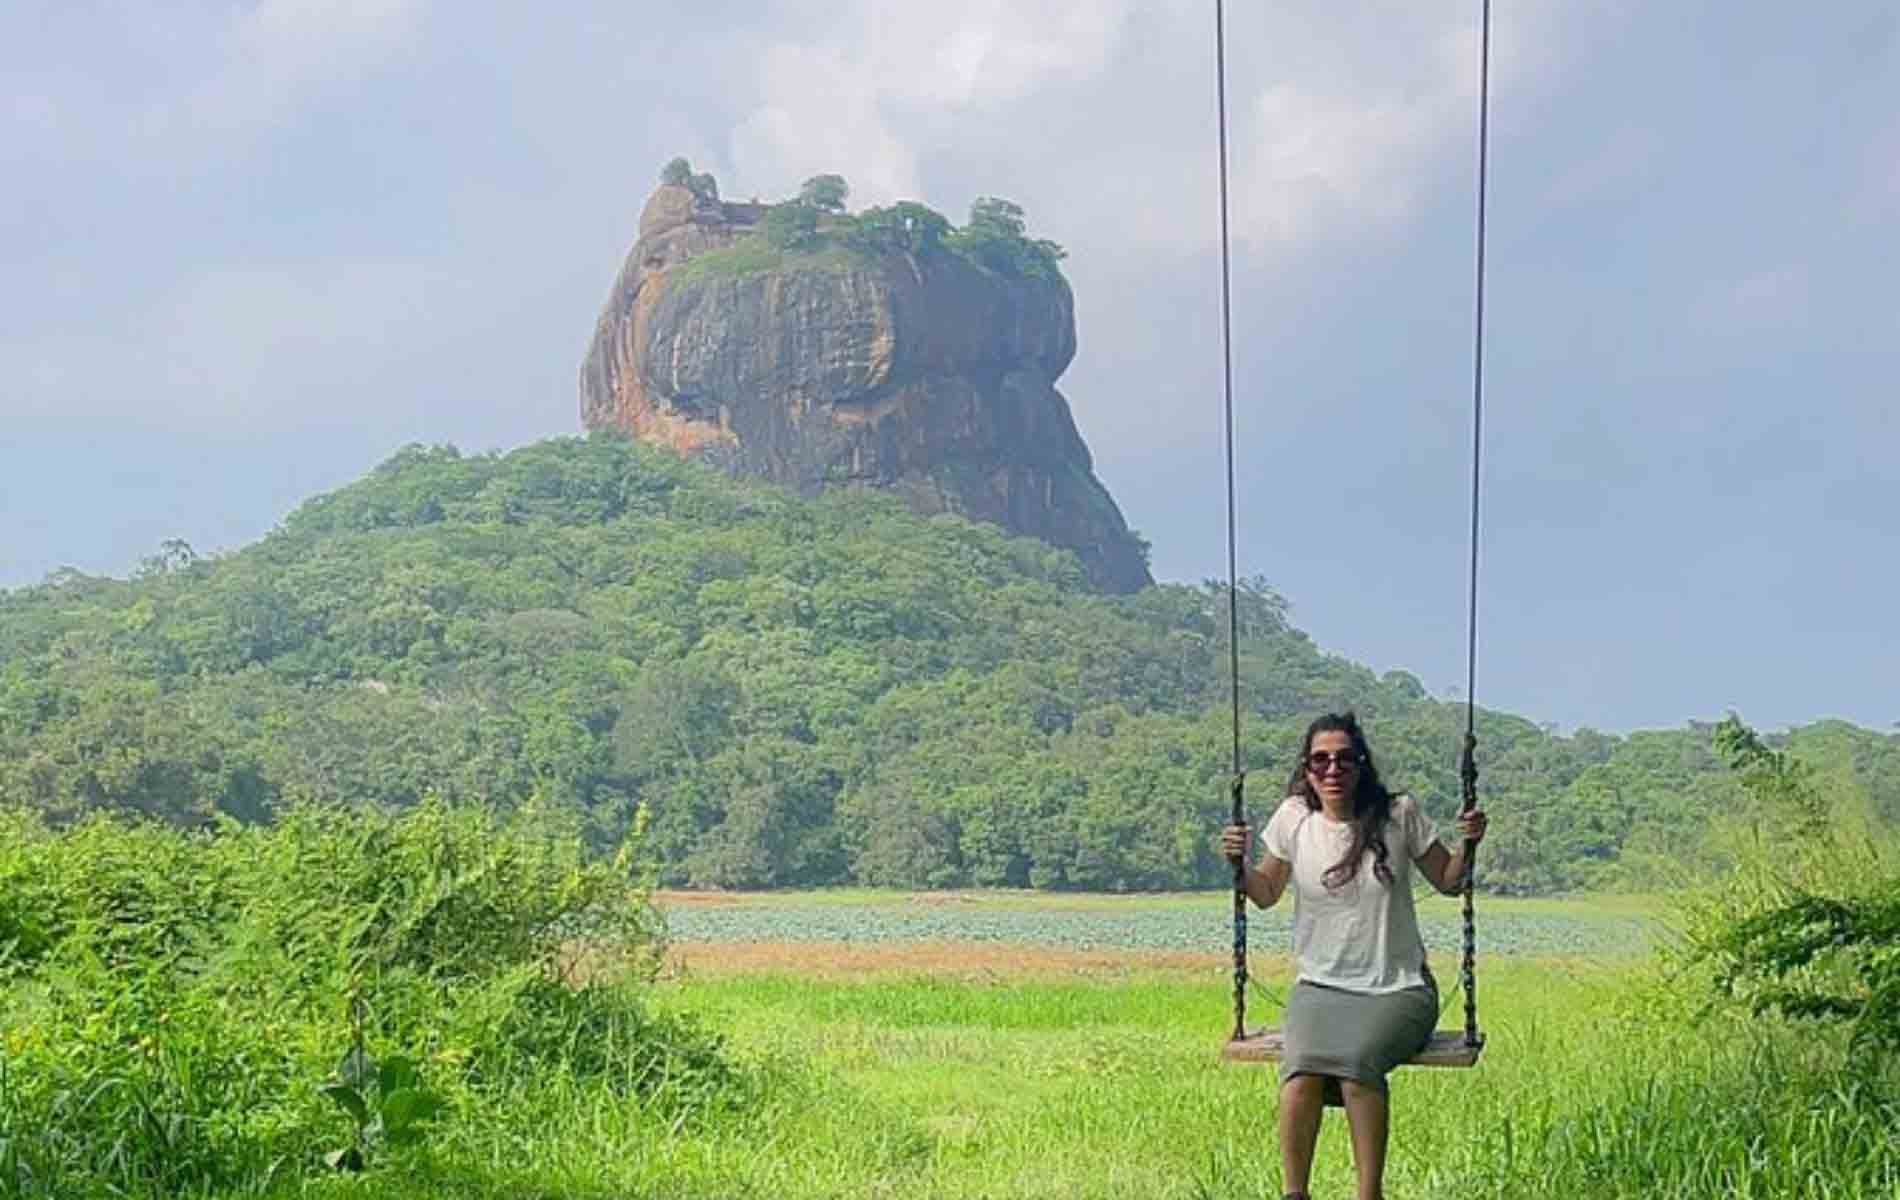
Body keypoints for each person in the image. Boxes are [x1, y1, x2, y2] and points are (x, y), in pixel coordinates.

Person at [1221, 712, 1487, 1200]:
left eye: (1344, 758)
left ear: (1361, 764)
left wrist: (1469, 843)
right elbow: (1264, 892)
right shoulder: (1294, 820)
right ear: (1306, 769)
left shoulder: (1398, 814)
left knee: (1356, 1063)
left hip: (1398, 987)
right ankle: (1294, 1194)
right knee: (1300, 1070)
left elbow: (1449, 882)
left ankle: (1369, 1194)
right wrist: (1237, 863)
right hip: (1320, 986)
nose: (1332, 769)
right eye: (1320, 760)